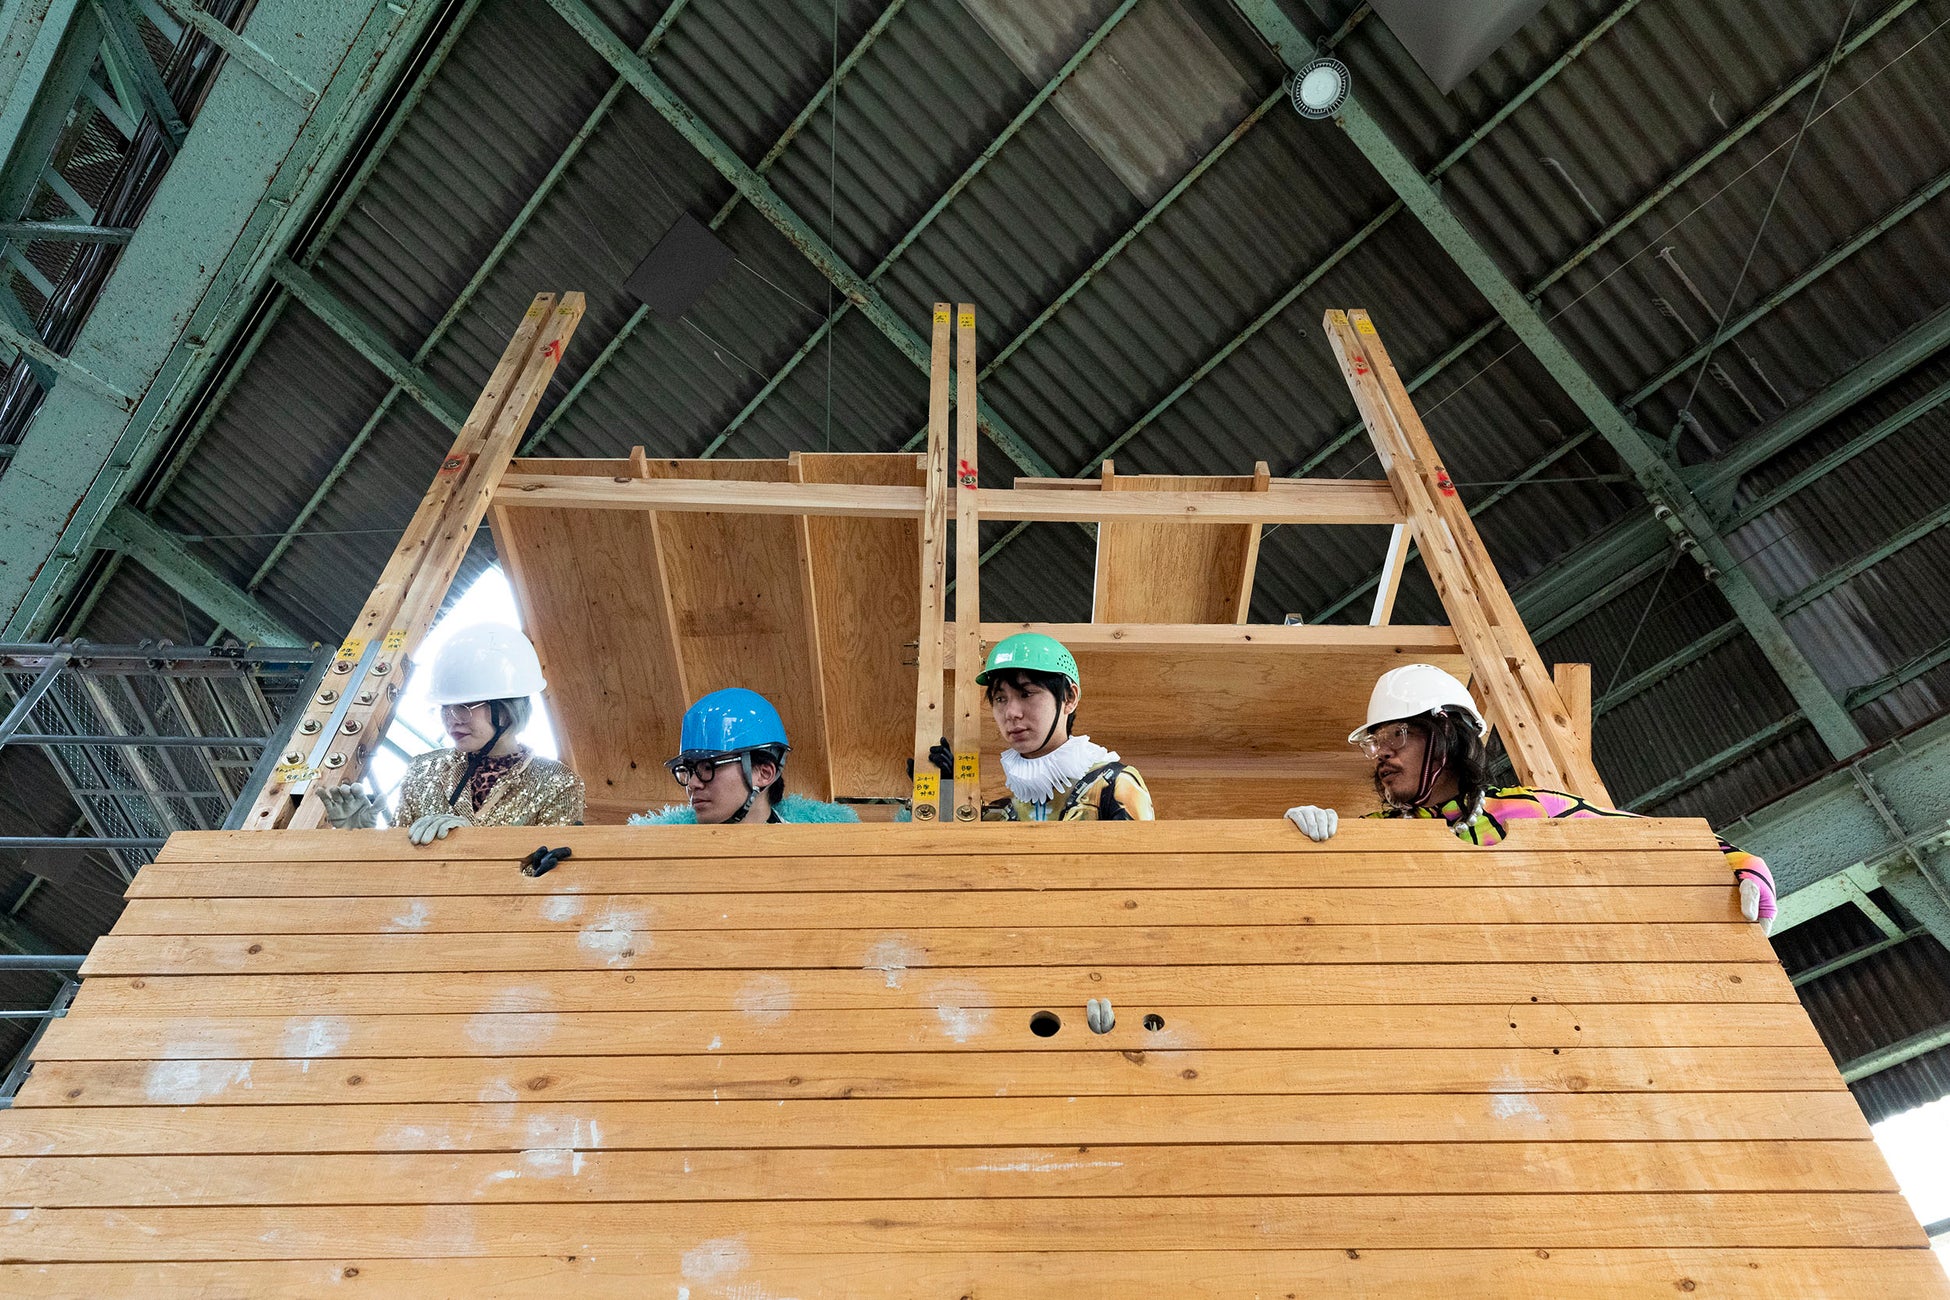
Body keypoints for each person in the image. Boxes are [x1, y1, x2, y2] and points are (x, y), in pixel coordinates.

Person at [1282, 663, 1775, 929]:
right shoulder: (1369, 838)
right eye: (1374, 742)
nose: (1381, 754)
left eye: (1396, 735)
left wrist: (1743, 864)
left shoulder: (1534, 810)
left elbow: (1655, 841)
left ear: (1448, 733)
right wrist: (1292, 845)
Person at [318, 623, 584, 844]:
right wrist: (361, 838)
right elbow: (400, 869)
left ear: (505, 710)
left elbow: (549, 877)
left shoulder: (557, 783)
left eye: (464, 707)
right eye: (445, 708)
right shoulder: (423, 770)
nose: (451, 721)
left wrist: (470, 844)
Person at [976, 632, 1153, 821]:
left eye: (1026, 694)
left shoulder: (1114, 785)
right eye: (1000, 699)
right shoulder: (1000, 813)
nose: (1011, 713)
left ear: (1069, 698)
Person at [631, 688, 857, 825]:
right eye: (688, 770)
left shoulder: (818, 854)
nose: (692, 784)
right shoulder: (656, 853)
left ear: (764, 774)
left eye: (708, 768)